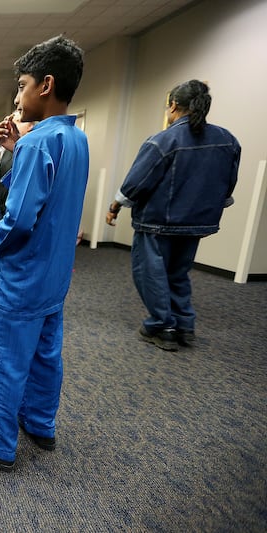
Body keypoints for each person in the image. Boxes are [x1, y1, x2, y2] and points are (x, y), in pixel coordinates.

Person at [0, 36, 89, 470]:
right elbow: (51, 196)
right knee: (47, 353)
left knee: (8, 360)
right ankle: (41, 424)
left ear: (45, 85)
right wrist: (15, 150)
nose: (16, 98)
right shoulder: (76, 139)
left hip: (24, 276)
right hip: (56, 275)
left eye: (21, 86)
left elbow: (18, 220)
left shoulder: (37, 143)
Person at [106, 79, 240, 351]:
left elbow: (137, 182)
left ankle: (163, 326)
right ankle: (184, 325)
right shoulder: (227, 140)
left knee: (150, 275)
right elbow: (228, 182)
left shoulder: (163, 140)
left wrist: (115, 207)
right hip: (197, 222)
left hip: (157, 223)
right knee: (178, 273)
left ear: (174, 105)